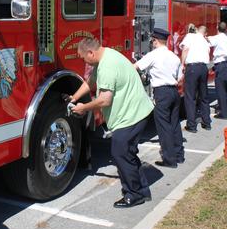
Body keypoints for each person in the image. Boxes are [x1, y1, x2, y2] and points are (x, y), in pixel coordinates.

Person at [69, 38, 154, 208]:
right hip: (136, 112)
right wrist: (74, 98)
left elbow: (105, 100)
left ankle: (134, 194)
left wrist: (83, 108)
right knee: (127, 153)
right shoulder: (106, 56)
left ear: (91, 53)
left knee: (120, 153)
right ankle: (142, 190)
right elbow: (91, 82)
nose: (83, 61)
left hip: (132, 116)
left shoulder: (107, 66)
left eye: (83, 57)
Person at [135, 28, 185, 168]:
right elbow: (180, 77)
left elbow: (137, 67)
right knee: (174, 124)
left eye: (152, 41)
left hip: (162, 92)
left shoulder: (153, 55)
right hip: (174, 92)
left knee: (164, 127)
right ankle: (179, 155)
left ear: (155, 40)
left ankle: (169, 160)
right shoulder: (174, 56)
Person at [180, 25, 212, 133]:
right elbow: (208, 53)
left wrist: (182, 64)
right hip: (203, 68)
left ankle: (191, 125)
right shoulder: (204, 40)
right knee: (204, 96)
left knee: (190, 97)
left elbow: (185, 49)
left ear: (197, 30)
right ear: (204, 33)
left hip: (192, 67)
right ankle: (207, 123)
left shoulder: (190, 36)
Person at [208, 22, 227, 119]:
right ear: (226, 29)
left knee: (220, 90)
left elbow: (207, 40)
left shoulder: (217, 38)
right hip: (226, 65)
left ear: (217, 28)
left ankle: (223, 113)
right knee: (226, 88)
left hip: (220, 65)